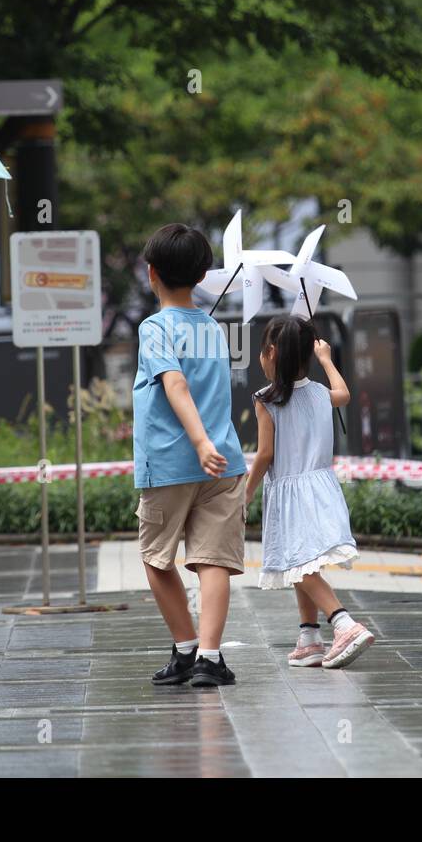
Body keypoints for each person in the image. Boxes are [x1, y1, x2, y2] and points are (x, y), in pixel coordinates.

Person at [133, 223, 247, 687]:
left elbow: (174, 383)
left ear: (151, 273)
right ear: (202, 277)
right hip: (225, 463)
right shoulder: (215, 330)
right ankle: (209, 656)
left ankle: (185, 647)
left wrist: (197, 441)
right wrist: (211, 444)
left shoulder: (154, 327)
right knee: (213, 561)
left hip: (170, 463)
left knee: (156, 559)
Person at [244, 315, 374, 669]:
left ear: (270, 353)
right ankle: (309, 637)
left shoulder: (265, 399)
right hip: (320, 487)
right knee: (302, 562)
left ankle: (343, 623)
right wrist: (327, 360)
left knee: (300, 565)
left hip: (290, 493)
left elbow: (266, 454)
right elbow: (344, 394)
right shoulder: (320, 393)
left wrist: (246, 492)